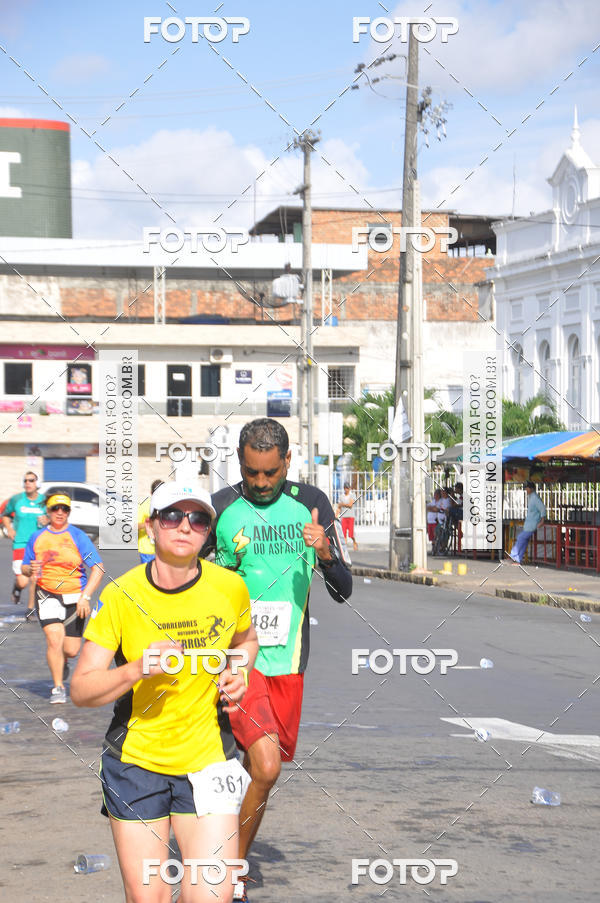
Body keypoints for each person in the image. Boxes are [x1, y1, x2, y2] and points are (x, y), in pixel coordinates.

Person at [71, 482, 258, 903]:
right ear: (151, 526)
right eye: (172, 515)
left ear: (208, 532)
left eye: (198, 518)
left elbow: (247, 640)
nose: (184, 526)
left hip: (208, 761)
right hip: (137, 764)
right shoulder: (122, 596)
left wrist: (238, 669)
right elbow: (81, 689)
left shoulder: (229, 588)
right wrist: (137, 669)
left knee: (211, 896)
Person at [205, 418, 352, 902]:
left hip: (289, 664)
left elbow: (342, 590)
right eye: (251, 473)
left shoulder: (312, 505)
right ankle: (230, 871)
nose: (261, 484)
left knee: (255, 772)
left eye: (269, 473)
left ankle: (224, 856)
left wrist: (326, 552)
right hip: (237, 664)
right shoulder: (224, 507)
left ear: (286, 463)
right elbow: (197, 585)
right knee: (265, 767)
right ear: (241, 466)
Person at [21, 493, 104, 703]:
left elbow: (98, 569)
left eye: (64, 509)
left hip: (76, 597)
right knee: (54, 639)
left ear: (68, 512)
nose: (60, 513)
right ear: (48, 511)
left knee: (71, 649)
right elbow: (25, 566)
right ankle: (58, 687)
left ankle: (64, 662)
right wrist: (29, 569)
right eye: (55, 508)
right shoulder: (37, 537)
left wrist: (86, 597)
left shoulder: (78, 536)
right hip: (46, 593)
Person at [2, 471, 47, 608]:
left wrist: (47, 520)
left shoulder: (44, 501)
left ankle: (31, 609)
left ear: (37, 483)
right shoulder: (16, 499)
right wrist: (9, 528)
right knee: (23, 582)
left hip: (39, 545)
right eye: (26, 480)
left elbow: (54, 518)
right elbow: (5, 514)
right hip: (20, 544)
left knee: (35, 577)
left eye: (31, 480)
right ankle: (17, 589)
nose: (28, 483)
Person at [509, 480, 546, 565]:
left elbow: (542, 508)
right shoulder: (531, 497)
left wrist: (542, 521)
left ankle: (513, 556)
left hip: (532, 524)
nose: (526, 490)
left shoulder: (535, 498)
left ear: (531, 488)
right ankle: (517, 559)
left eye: (527, 488)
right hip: (529, 524)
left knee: (521, 538)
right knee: (524, 541)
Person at [138, 478, 164, 563]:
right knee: (150, 575)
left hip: (165, 550)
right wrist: (149, 524)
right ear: (151, 493)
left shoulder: (168, 505)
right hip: (148, 550)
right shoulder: (144, 505)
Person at [336, 482, 358, 551]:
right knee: (343, 533)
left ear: (350, 488)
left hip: (351, 516)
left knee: (351, 534)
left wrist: (342, 504)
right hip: (344, 516)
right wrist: (336, 514)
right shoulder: (341, 496)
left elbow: (350, 505)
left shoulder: (352, 495)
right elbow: (339, 507)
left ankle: (354, 542)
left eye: (347, 488)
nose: (346, 489)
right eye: (345, 488)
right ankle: (344, 548)